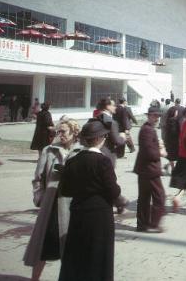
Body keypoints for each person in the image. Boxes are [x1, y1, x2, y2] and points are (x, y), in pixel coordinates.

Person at [58, 120, 121, 281]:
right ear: (100, 138)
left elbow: (65, 190)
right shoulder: (103, 161)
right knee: (98, 257)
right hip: (100, 215)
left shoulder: (73, 160)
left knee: (77, 256)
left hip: (78, 213)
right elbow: (113, 190)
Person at [24, 119, 81, 281]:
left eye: (63, 131)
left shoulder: (81, 152)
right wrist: (39, 198)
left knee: (70, 248)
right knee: (43, 246)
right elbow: (38, 178)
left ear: (74, 132)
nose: (59, 135)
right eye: (58, 131)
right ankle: (34, 279)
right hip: (51, 207)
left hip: (72, 208)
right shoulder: (49, 151)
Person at [134, 106, 166, 232]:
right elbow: (149, 152)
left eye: (158, 116)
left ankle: (142, 224)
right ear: (149, 116)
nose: (157, 118)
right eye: (154, 116)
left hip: (144, 168)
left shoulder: (147, 129)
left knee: (144, 197)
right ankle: (154, 223)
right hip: (150, 169)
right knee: (159, 196)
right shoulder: (148, 130)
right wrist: (161, 152)